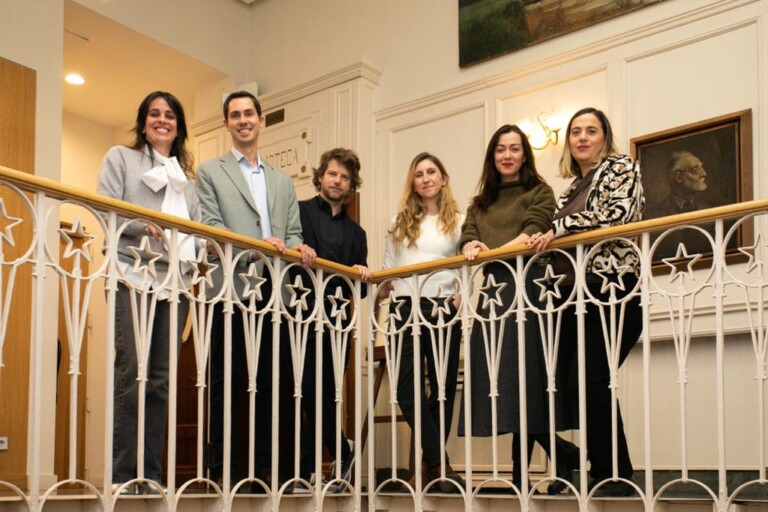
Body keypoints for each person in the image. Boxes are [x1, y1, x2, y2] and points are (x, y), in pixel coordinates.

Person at [196, 90, 315, 490]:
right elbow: (212, 227)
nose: (243, 119)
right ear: (227, 124)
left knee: (270, 381)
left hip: (275, 293)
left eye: (249, 113)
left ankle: (265, 469)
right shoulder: (211, 172)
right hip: (231, 286)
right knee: (227, 380)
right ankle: (224, 469)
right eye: (235, 115)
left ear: (261, 120)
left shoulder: (283, 181)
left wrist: (299, 247)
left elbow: (294, 234)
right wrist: (259, 248)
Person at [528, 107, 645, 497]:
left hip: (613, 289)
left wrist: (555, 229)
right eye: (575, 131)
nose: (581, 137)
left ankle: (616, 474)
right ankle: (599, 467)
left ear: (604, 137)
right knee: (578, 382)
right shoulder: (570, 189)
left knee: (593, 379)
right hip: (578, 297)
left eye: (590, 131)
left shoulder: (621, 168)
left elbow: (616, 215)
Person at [97, 90, 200, 495]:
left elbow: (195, 228)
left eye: (170, 115)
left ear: (179, 127)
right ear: (143, 123)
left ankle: (151, 475)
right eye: (154, 114)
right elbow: (104, 207)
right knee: (131, 373)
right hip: (130, 275)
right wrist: (145, 224)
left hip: (174, 284)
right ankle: (124, 476)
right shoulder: (120, 159)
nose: (162, 120)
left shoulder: (186, 181)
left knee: (159, 379)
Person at [458, 124, 564, 494]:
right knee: (505, 384)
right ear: (493, 156)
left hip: (531, 289)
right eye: (500, 149)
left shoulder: (540, 190)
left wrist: (488, 252)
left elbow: (530, 234)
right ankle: (557, 455)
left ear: (524, 154)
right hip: (494, 295)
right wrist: (471, 248)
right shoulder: (480, 202)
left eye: (514, 148)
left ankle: (531, 469)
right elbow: (468, 238)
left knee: (528, 381)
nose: (507, 155)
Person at [379, 152, 465, 493]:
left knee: (442, 390)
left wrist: (462, 295)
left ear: (443, 179)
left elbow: (467, 262)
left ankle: (429, 470)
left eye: (432, 172)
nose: (426, 178)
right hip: (403, 306)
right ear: (412, 182)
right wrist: (384, 285)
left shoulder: (458, 220)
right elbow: (389, 264)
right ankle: (439, 464)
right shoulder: (397, 221)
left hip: (444, 305)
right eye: (419, 174)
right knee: (406, 389)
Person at [295, 147, 369, 491]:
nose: (337, 181)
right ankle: (341, 451)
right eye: (332, 174)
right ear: (321, 176)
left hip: (337, 324)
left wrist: (361, 273)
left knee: (322, 393)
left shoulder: (358, 233)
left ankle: (311, 469)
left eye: (344, 176)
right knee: (305, 391)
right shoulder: (300, 212)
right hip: (298, 317)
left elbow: (361, 290)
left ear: (351, 184)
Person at [650, 151, 712, 259]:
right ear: (678, 177)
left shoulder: (712, 208)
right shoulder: (654, 216)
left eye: (701, 167)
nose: (704, 173)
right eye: (695, 169)